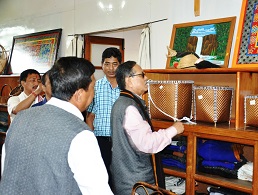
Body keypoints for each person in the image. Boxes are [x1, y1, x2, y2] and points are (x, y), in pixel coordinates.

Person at [0, 57, 113, 195]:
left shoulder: (21, 119)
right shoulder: (80, 134)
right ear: (79, 94)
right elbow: (98, 191)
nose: (94, 94)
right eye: (93, 88)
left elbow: (6, 169)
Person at [110, 60, 185, 194]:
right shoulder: (130, 107)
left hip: (126, 179)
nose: (147, 78)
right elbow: (147, 143)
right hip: (137, 184)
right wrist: (174, 129)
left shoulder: (120, 103)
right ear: (129, 80)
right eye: (142, 75)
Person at [86, 47, 122, 188]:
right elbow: (90, 117)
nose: (111, 68)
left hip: (121, 140)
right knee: (103, 177)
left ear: (120, 64)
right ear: (101, 64)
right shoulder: (95, 87)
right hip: (101, 140)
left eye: (115, 64)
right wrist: (91, 140)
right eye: (107, 64)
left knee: (120, 177)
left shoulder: (126, 87)